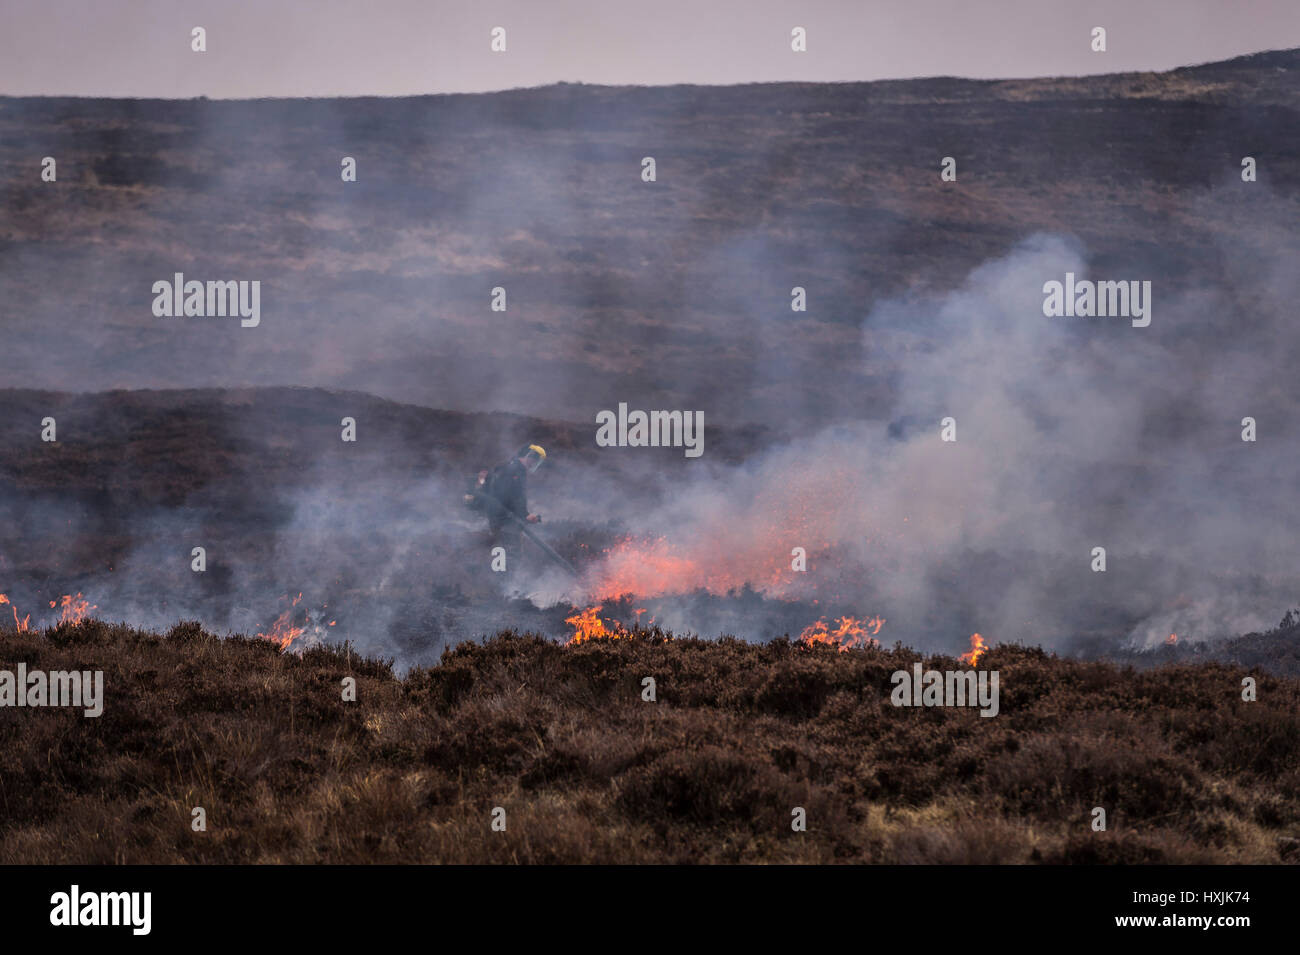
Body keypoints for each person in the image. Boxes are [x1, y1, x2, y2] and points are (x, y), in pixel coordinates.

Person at [476, 444, 546, 545]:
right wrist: (525, 515)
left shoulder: (510, 467)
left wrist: (525, 515)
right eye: (535, 460)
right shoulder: (515, 471)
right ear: (529, 456)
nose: (534, 464)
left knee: (503, 548)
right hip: (505, 521)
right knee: (511, 552)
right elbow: (513, 497)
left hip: (502, 518)